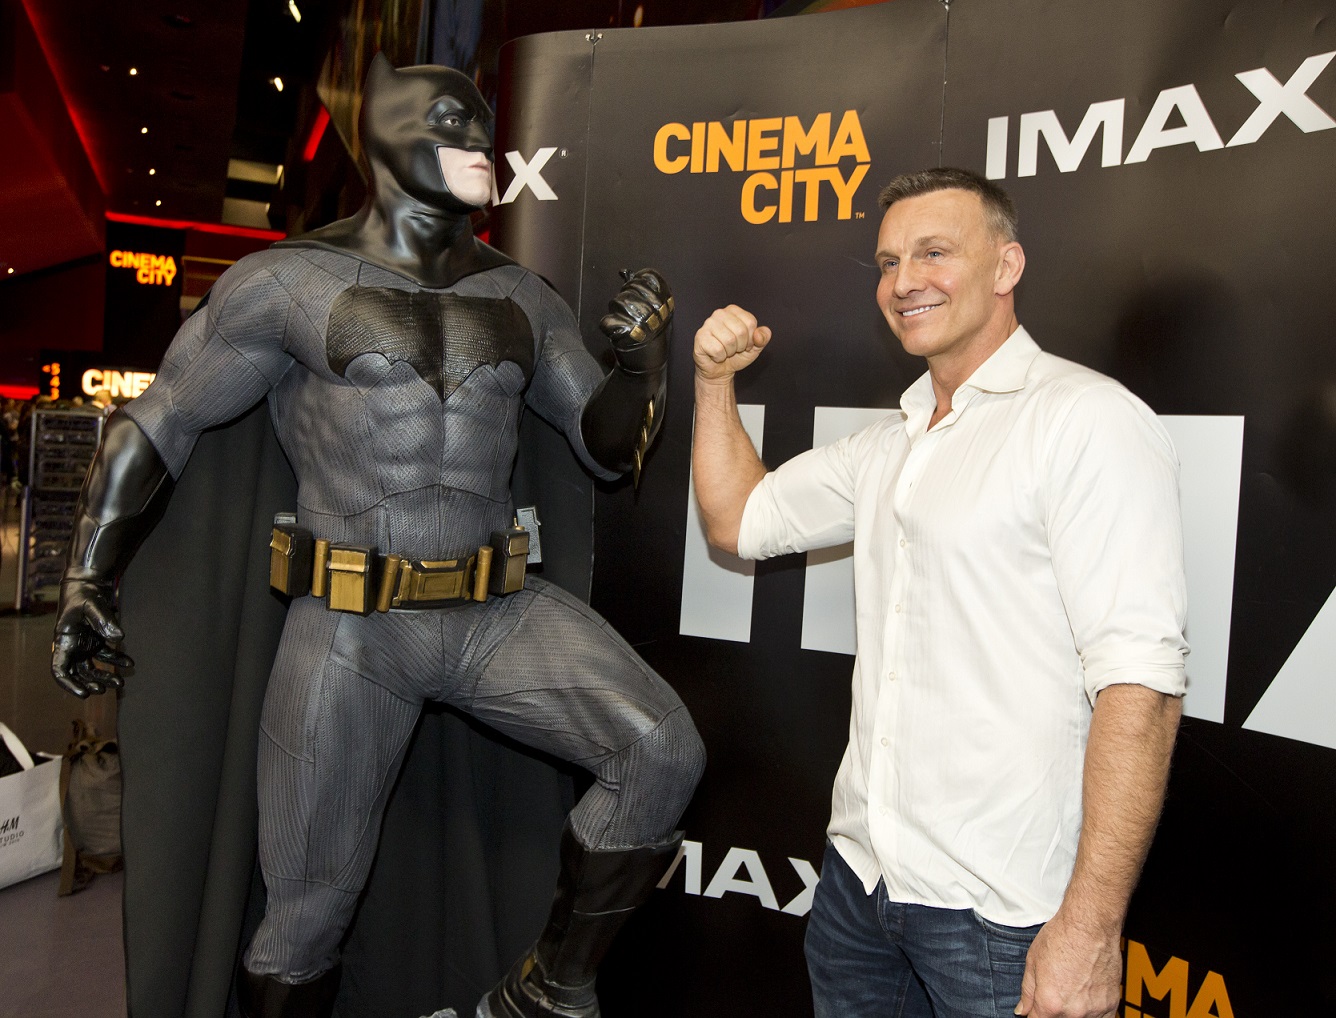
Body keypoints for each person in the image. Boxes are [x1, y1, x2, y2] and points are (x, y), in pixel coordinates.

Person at [51, 55, 703, 1018]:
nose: (479, 140)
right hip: (351, 630)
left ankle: (546, 993)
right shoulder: (287, 282)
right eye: (451, 119)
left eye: (484, 124)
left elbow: (604, 450)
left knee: (661, 750)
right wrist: (86, 578)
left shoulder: (523, 297)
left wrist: (641, 368)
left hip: (495, 613)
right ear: (385, 136)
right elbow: (162, 422)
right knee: (306, 914)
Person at [690, 167, 1186, 1018]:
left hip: (1002, 918)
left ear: (1006, 266)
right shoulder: (891, 445)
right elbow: (738, 519)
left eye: (934, 253)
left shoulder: (1084, 420)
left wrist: (1091, 927)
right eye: (889, 262)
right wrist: (713, 383)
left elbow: (1141, 688)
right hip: (859, 891)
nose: (903, 281)